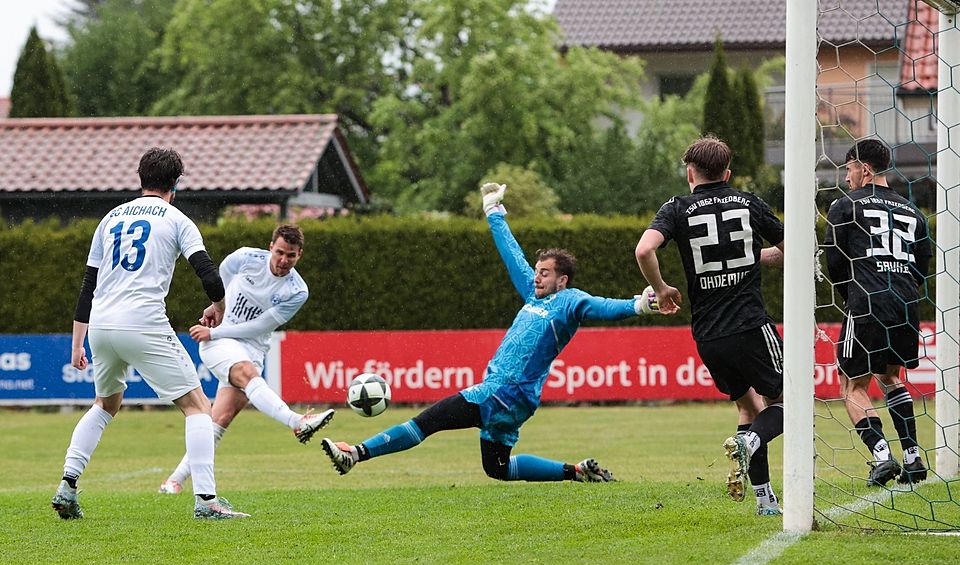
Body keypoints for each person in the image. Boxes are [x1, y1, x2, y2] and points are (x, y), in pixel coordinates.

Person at [319, 182, 660, 482]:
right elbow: (512, 255)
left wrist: (639, 305)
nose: (537, 276)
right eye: (537, 271)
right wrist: (493, 211)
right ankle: (577, 471)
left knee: (427, 422)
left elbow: (602, 306)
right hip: (516, 399)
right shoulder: (534, 295)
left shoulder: (570, 301)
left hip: (502, 391)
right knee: (498, 468)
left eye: (544, 273)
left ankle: (356, 454)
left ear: (563, 280)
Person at [51, 147, 249, 520]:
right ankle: (207, 502)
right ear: (175, 184)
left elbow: (87, 286)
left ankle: (67, 485)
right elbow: (208, 274)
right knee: (198, 407)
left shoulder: (110, 218)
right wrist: (219, 307)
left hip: (101, 326)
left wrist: (77, 344)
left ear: (141, 179)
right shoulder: (177, 219)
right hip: (142, 322)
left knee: (105, 404)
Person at [635, 136, 786, 516]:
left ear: (691, 174)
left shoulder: (676, 208)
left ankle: (765, 500)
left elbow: (644, 249)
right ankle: (750, 443)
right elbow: (792, 249)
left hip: (708, 334)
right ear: (727, 173)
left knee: (748, 408)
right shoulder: (749, 203)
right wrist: (751, 257)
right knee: (788, 403)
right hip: (751, 325)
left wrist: (661, 289)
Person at [158, 225, 335, 494]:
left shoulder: (297, 291)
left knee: (221, 417)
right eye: (279, 252)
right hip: (218, 342)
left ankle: (173, 481)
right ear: (270, 247)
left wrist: (215, 330)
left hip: (249, 346)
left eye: (291, 255)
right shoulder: (245, 258)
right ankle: (297, 422)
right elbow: (222, 278)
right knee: (248, 374)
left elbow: (259, 327)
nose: (283, 260)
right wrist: (216, 310)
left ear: (299, 255)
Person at [823, 139, 931, 487]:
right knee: (890, 376)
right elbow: (922, 264)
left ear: (865, 169)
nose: (847, 177)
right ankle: (913, 457)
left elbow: (835, 261)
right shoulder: (912, 211)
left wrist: (853, 297)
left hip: (867, 301)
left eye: (849, 169)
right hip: (905, 303)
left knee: (851, 384)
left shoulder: (845, 205)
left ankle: (882, 456)